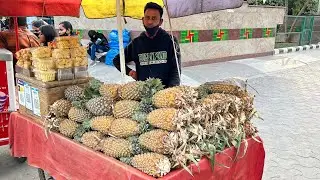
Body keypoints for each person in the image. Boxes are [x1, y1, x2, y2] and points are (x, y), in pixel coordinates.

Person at [113, 2, 181, 88]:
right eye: (147, 17)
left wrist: (172, 90)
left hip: (165, 92)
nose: (150, 21)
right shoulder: (136, 43)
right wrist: (130, 72)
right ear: (143, 20)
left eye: (154, 18)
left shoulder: (170, 41)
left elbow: (176, 69)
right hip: (143, 92)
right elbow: (117, 60)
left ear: (160, 22)